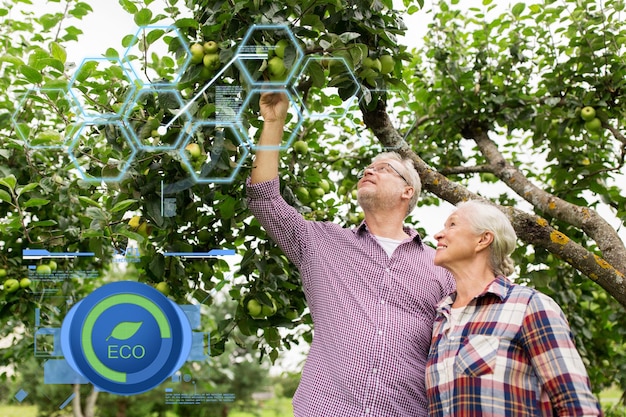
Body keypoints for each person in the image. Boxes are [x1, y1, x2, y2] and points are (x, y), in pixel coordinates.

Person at [246, 91, 454, 416]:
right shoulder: (320, 242)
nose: (368, 172)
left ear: (407, 191)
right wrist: (273, 122)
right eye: (367, 168)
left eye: (382, 168)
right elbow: (264, 199)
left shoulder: (440, 266)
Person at [426, 200, 602, 416]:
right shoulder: (441, 319)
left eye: (452, 225)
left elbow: (577, 406)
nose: (438, 235)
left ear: (483, 239)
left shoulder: (528, 306)